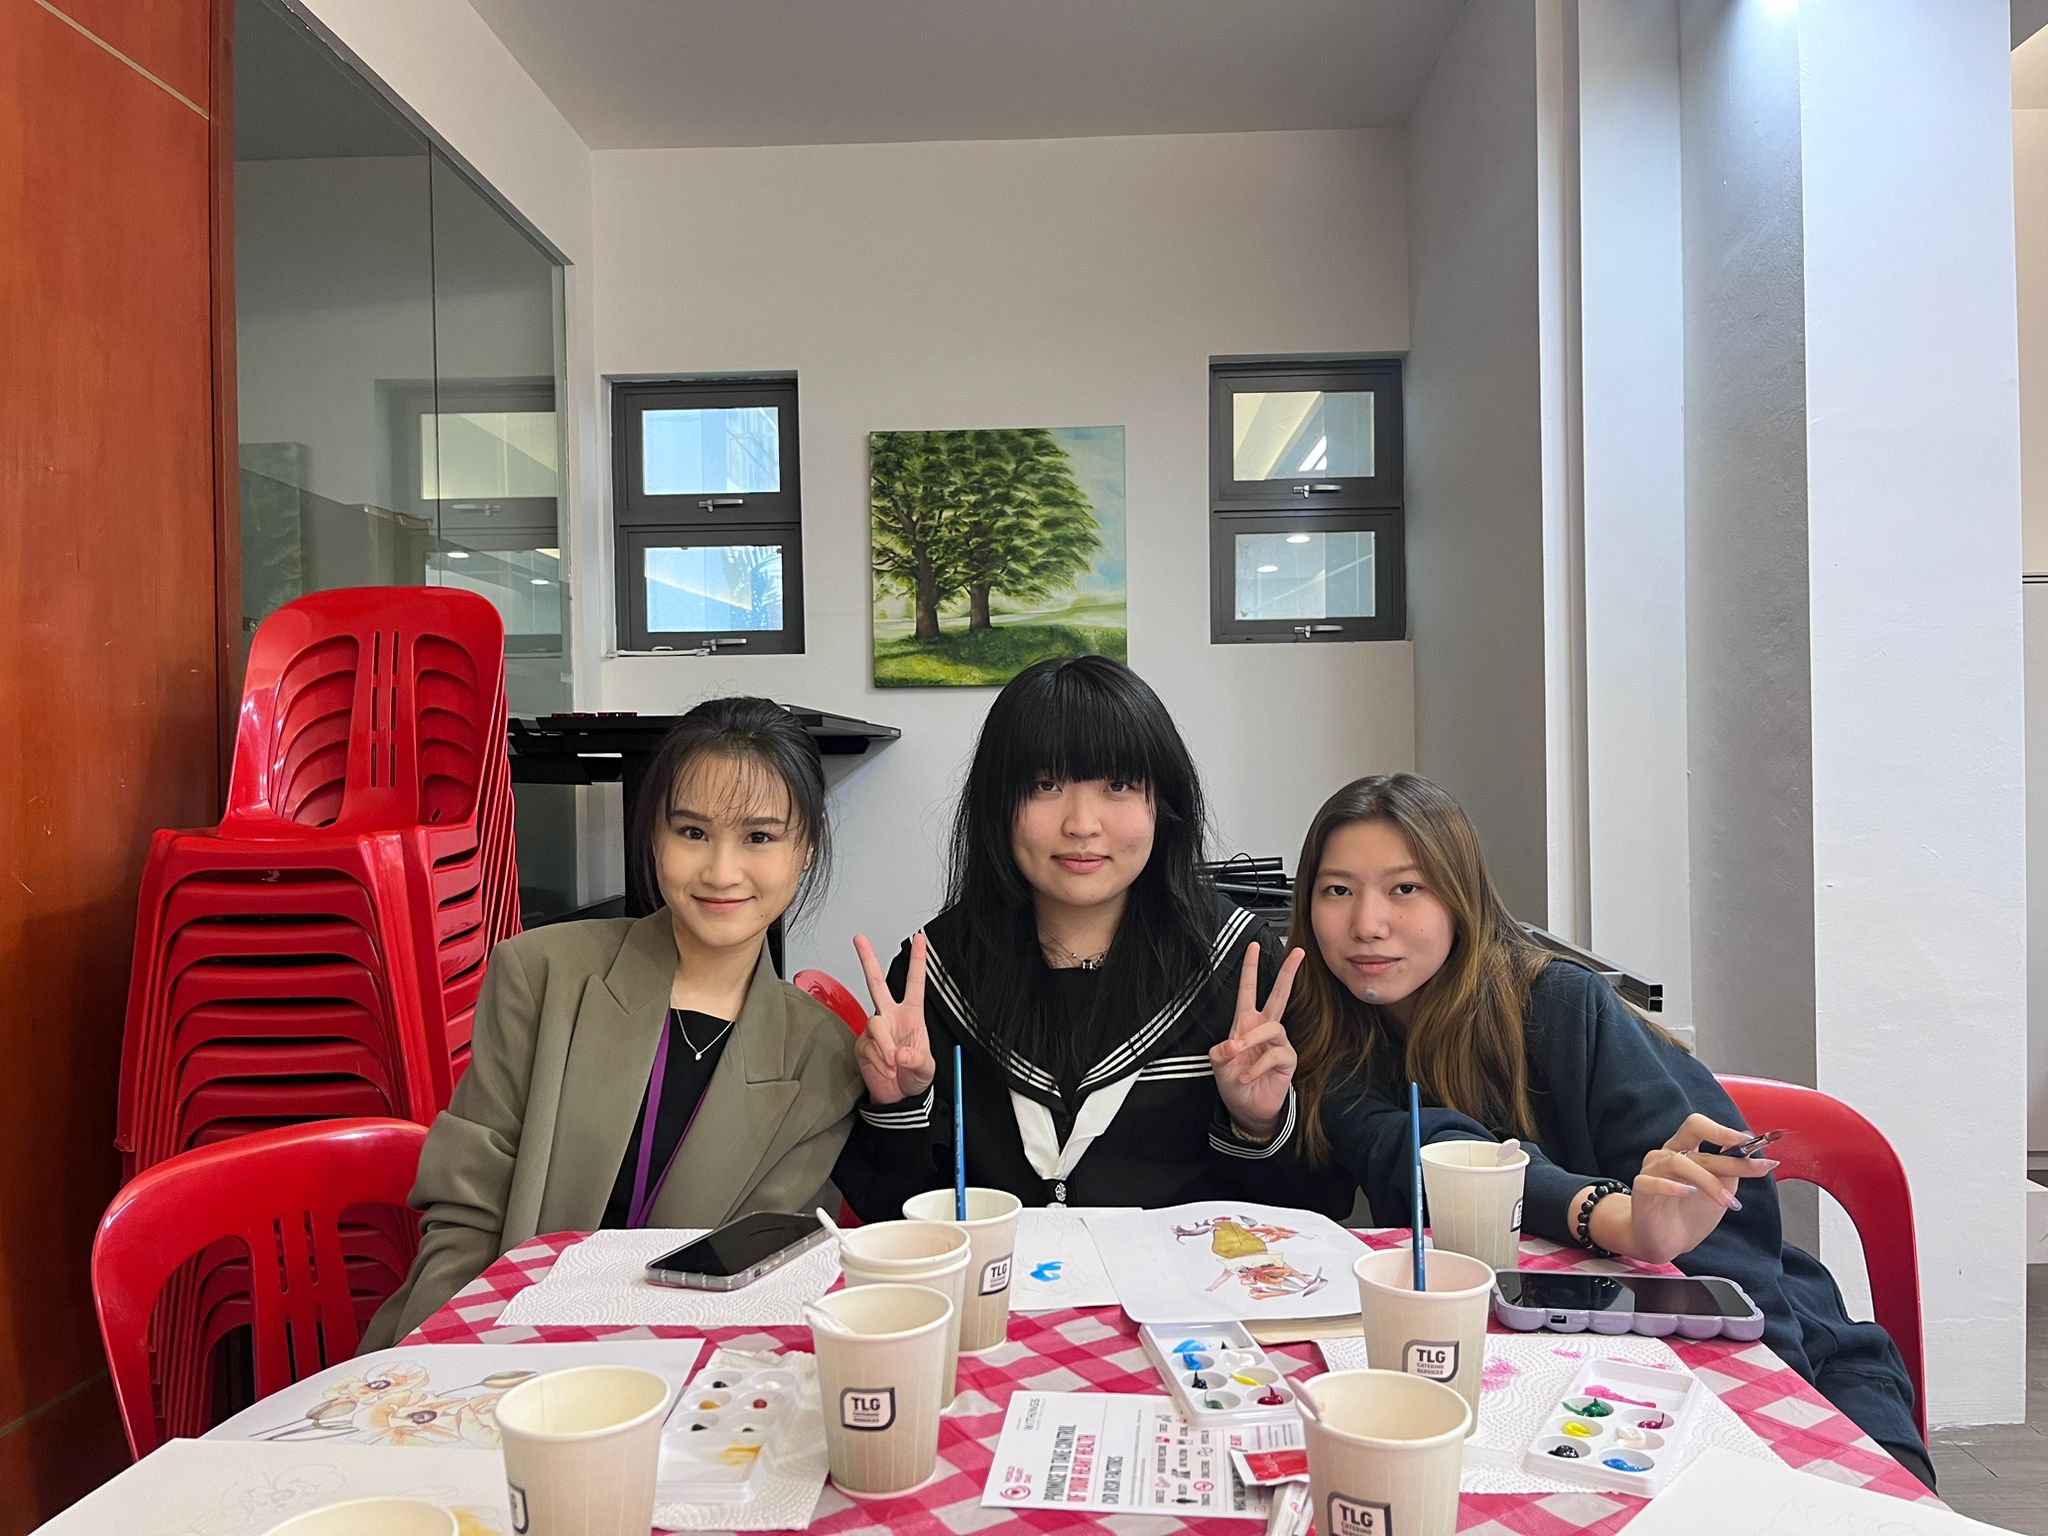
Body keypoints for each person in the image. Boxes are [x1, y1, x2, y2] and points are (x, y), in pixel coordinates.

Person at [1285, 773, 1933, 1488]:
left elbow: (1728, 1229)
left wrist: (1770, 1410)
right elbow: (1427, 1153)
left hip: (1777, 1348)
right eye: (1337, 890)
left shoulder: (1561, 1006)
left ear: (1460, 897)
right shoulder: (1326, 1044)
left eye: (1405, 888)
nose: (1368, 923)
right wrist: (1611, 1215)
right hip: (1536, 1382)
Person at [363, 697, 862, 1347]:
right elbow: (468, 1214)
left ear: (806, 849)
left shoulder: (821, 1057)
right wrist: (439, 1359)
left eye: (759, 838)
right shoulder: (541, 974)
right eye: (692, 833)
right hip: (502, 1348)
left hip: (686, 1365)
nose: (721, 872)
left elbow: (758, 1279)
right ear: (654, 836)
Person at [832, 656, 1318, 1218]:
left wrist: (1257, 1124)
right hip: (1001, 1274)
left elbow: (1303, 1215)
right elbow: (894, 1218)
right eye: (1046, 785)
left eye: (1118, 784)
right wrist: (898, 1106)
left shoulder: (1238, 967)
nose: (1082, 824)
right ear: (997, 804)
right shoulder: (935, 975)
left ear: (1163, 802)